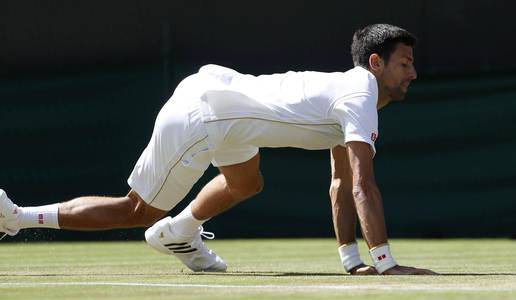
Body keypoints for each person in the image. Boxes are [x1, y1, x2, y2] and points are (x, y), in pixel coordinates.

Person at [0, 24, 435, 275]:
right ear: (375, 63)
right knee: (136, 211)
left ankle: (178, 232)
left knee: (246, 182)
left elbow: (340, 182)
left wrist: (351, 260)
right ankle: (17, 217)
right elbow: (362, 186)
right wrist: (385, 263)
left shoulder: (351, 93)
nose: (413, 72)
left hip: (227, 105)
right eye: (405, 63)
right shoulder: (359, 98)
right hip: (206, 113)